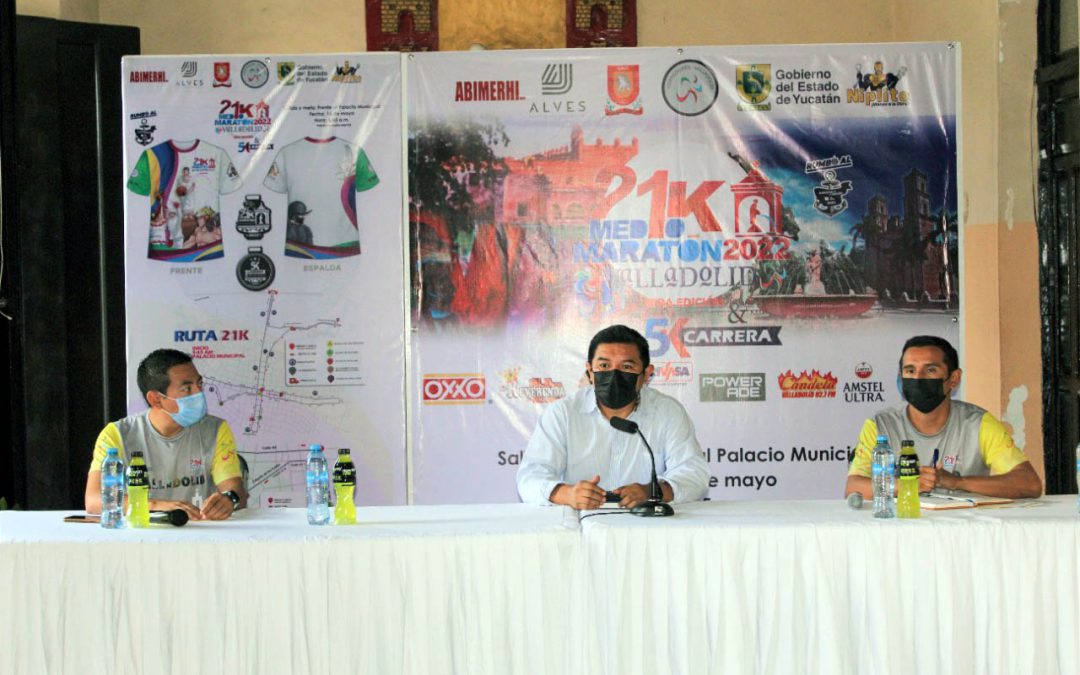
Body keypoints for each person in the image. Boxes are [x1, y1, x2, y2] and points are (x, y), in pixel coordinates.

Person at [516, 324, 709, 509]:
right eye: (604, 365)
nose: (614, 375)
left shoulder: (668, 412)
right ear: (590, 372)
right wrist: (568, 494)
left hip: (647, 527)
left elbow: (694, 474)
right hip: (581, 529)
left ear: (646, 374)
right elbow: (530, 477)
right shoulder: (562, 413)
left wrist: (654, 491)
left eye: (626, 367)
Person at [845, 335, 1042, 500]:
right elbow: (853, 487)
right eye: (910, 370)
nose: (918, 378)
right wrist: (906, 485)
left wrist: (956, 482)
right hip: (901, 532)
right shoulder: (880, 425)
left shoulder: (978, 423)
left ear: (954, 379)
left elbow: (1029, 483)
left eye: (930, 370)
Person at [84, 349, 248, 520]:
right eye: (187, 389)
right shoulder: (117, 434)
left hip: (200, 533)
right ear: (156, 399)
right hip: (142, 535)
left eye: (199, 384)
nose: (199, 394)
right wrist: (155, 506)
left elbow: (235, 491)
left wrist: (229, 499)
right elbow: (94, 500)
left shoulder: (216, 430)